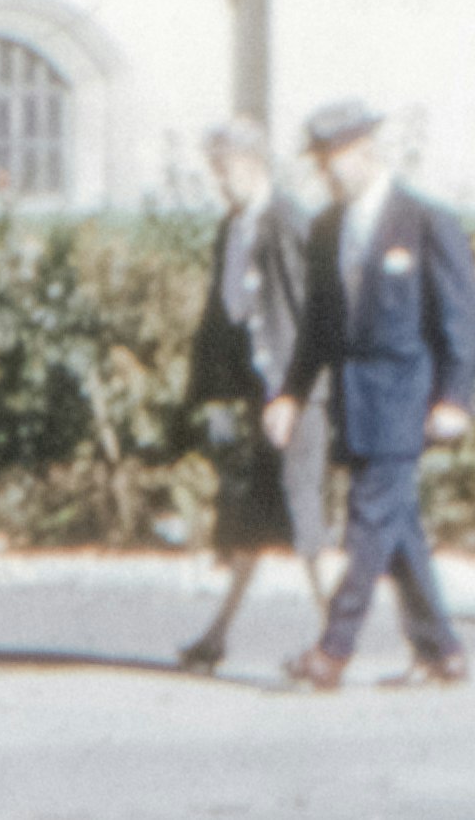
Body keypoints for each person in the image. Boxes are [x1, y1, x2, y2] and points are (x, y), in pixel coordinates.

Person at [283, 99, 475, 692]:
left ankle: (332, 651)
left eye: (335, 160)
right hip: (354, 394)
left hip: (407, 395)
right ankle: (441, 650)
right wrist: (291, 392)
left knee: (368, 521)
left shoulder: (424, 222)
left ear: (366, 153)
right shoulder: (326, 229)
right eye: (320, 163)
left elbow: (461, 316)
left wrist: (455, 395)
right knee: (397, 529)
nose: (327, 174)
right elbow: (318, 325)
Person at [175, 121, 321, 673]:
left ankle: (334, 640)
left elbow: (313, 312)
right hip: (253, 389)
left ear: (252, 163)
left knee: (303, 513)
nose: (218, 179)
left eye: (224, 167)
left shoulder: (285, 221)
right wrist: (213, 393)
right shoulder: (233, 226)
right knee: (248, 519)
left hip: (293, 393)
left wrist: (299, 391)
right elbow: (222, 314)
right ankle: (215, 636)